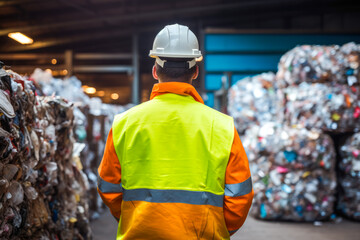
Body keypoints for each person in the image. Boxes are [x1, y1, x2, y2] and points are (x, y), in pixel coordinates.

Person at [97, 23, 253, 240]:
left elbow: (108, 187)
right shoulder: (222, 126)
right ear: (195, 72)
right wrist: (216, 228)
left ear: (154, 71)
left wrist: (137, 220)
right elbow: (240, 196)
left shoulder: (124, 123)